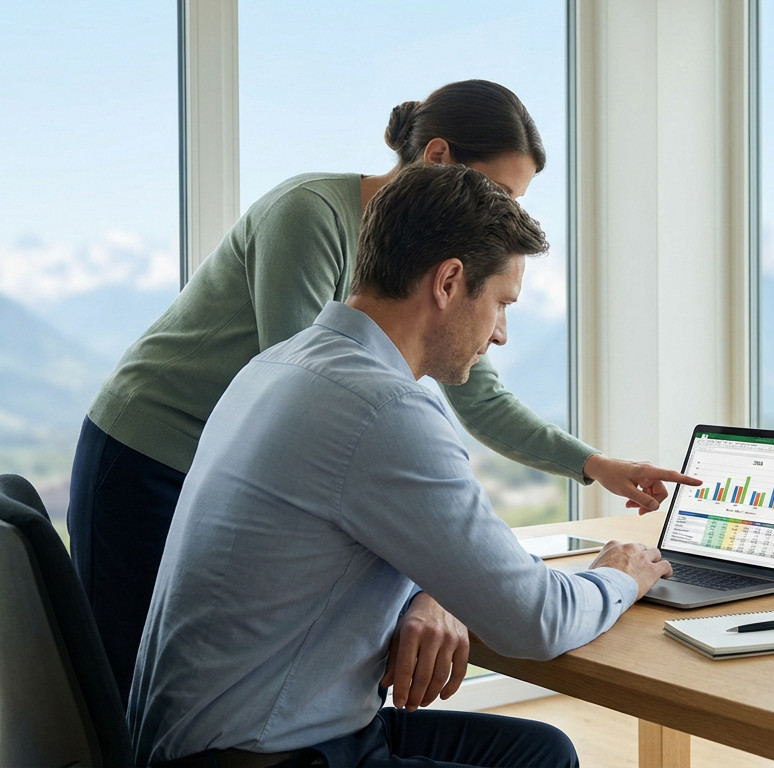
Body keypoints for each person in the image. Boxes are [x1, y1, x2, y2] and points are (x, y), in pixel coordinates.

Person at [67, 79, 695, 705]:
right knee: (125, 695)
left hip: (232, 464)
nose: (509, 218)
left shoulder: (425, 278)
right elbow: (314, 399)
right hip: (147, 452)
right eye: (498, 192)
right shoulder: (310, 215)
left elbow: (476, 392)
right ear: (439, 158)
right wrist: (432, 586)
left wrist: (590, 464)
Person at [128, 162, 673, 768]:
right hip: (267, 754)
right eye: (499, 303)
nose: (501, 335)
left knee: (539, 748)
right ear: (448, 282)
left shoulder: (281, 364)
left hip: (223, 732)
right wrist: (624, 573)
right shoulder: (381, 408)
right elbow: (536, 621)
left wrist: (425, 592)